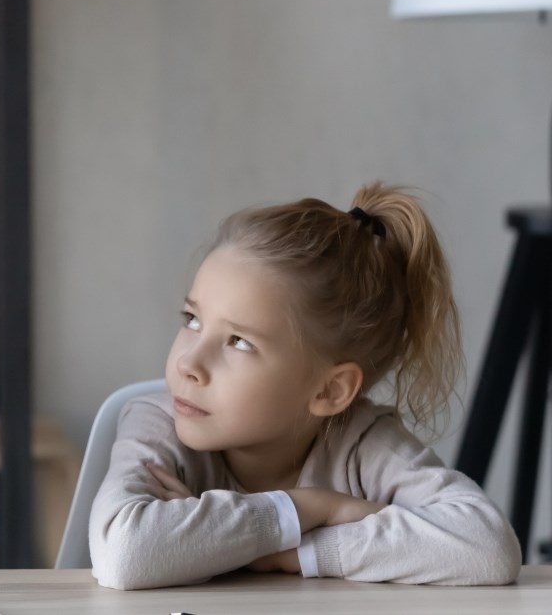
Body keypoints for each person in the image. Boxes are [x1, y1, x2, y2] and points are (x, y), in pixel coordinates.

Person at [89, 184, 522, 589]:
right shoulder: (158, 424)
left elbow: (488, 546)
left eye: (238, 341)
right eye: (192, 320)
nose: (188, 363)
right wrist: (310, 508)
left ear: (330, 391)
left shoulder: (362, 445)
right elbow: (125, 553)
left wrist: (298, 554)